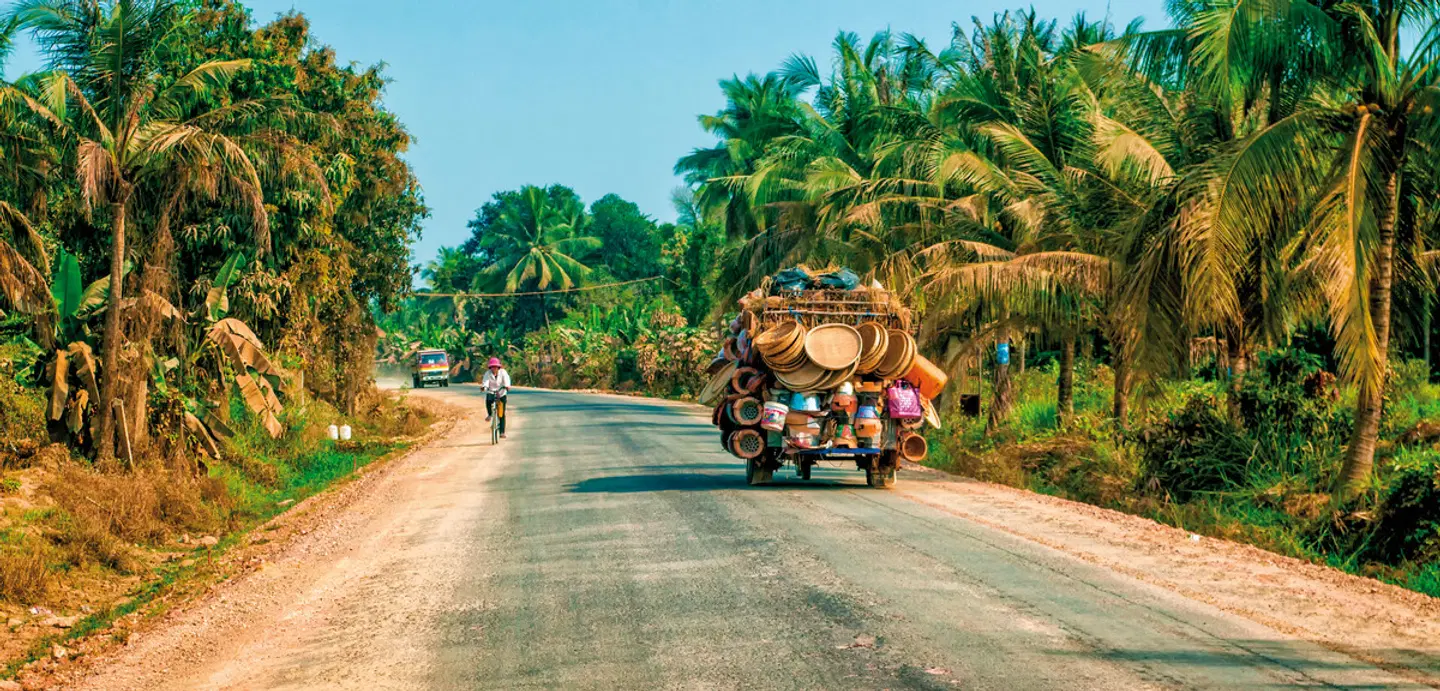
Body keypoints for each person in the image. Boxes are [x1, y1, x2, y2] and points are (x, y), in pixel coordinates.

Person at [481, 357, 510, 437]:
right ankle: (490, 414)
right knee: (488, 400)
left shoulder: (503, 373)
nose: (494, 369)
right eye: (492, 367)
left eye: (496, 367)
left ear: (498, 367)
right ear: (490, 367)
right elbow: (486, 382)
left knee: (501, 414)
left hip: (501, 392)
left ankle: (502, 432)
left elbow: (506, 380)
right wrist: (484, 387)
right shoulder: (488, 373)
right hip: (491, 391)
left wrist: (507, 386)